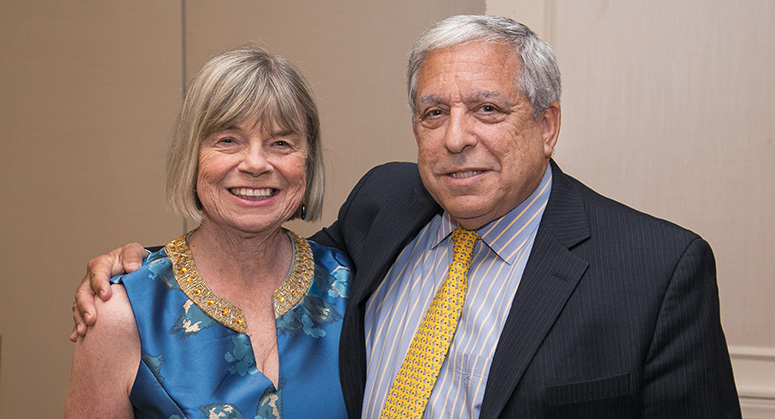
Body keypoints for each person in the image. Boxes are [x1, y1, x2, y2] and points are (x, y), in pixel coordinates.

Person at [72, 15, 740, 418]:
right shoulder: (380, 214)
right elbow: (243, 254)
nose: (455, 138)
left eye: (487, 108)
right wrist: (136, 265)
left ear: (545, 123)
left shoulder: (655, 271)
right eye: (432, 113)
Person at [65, 46, 350, 418]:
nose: (255, 163)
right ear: (192, 155)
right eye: (228, 139)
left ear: (308, 160)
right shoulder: (124, 313)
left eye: (281, 143)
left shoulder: (352, 289)